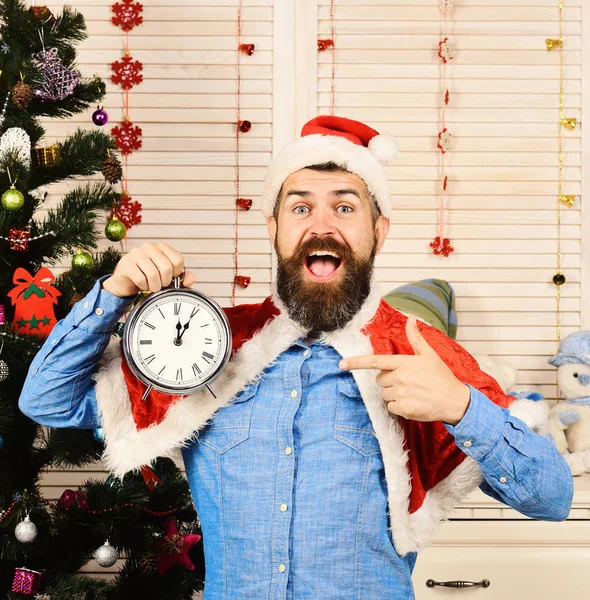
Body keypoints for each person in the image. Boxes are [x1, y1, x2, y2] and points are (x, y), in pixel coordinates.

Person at [20, 116, 573, 600]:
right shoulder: (209, 345)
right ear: (275, 229)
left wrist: (459, 405)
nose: (322, 224)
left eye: (345, 206)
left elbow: (552, 497)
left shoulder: (422, 352)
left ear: (378, 232)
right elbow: (45, 399)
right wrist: (113, 295)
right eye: (301, 206)